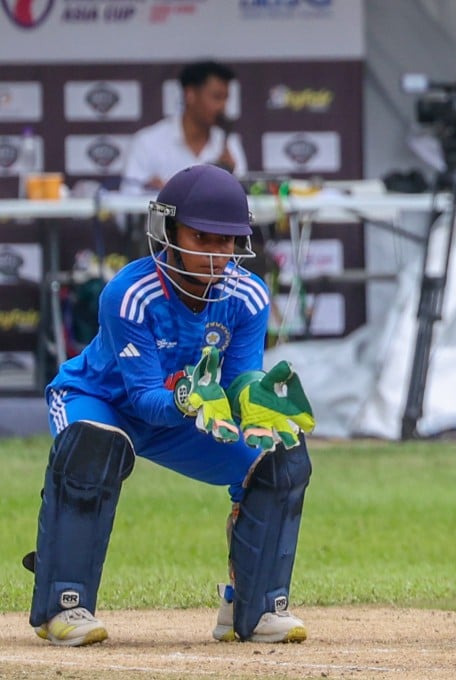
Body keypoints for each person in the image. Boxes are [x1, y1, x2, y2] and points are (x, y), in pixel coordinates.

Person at [27, 164, 315, 646]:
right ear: (167, 231)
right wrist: (187, 397)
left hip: (186, 412)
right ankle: (63, 604)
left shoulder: (247, 295)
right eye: (203, 237)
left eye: (229, 241)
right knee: (94, 452)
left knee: (280, 457)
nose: (218, 254)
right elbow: (142, 397)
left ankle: (254, 605)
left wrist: (255, 400)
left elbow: (241, 372)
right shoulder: (129, 293)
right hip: (101, 401)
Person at [121, 61, 248, 194]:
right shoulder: (148, 142)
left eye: (225, 98)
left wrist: (230, 179)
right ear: (190, 95)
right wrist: (162, 193)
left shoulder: (229, 144)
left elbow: (243, 203)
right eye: (216, 97)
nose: (222, 106)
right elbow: (128, 200)